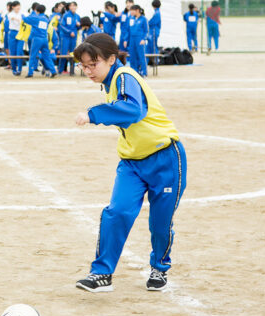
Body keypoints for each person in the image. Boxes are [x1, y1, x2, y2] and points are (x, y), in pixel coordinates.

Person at [72, 33, 186, 293]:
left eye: (93, 64)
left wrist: (93, 114)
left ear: (112, 59)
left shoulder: (125, 77)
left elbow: (133, 110)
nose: (88, 71)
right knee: (117, 212)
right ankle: (102, 274)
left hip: (165, 158)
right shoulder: (111, 81)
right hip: (132, 162)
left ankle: (159, 267)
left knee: (160, 222)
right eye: (84, 65)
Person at [23, 4, 55, 78]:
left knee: (32, 55)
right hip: (45, 39)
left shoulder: (36, 18)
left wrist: (26, 14)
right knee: (47, 56)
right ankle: (53, 71)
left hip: (37, 39)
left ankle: (30, 73)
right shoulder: (46, 19)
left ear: (37, 11)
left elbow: (25, 19)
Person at [58, 1, 79, 74]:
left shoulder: (77, 16)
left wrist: (78, 25)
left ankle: (72, 71)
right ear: (69, 7)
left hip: (73, 38)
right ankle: (60, 70)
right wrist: (69, 32)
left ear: (76, 7)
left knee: (72, 54)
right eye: (71, 6)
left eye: (74, 6)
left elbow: (79, 28)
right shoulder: (66, 15)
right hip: (66, 37)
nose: (73, 7)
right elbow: (62, 26)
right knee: (63, 53)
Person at [128, 5, 148, 77]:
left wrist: (144, 39)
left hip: (139, 39)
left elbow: (146, 31)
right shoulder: (131, 19)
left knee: (141, 56)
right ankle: (134, 72)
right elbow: (128, 30)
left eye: (132, 10)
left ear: (137, 10)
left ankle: (144, 72)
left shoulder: (143, 19)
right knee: (132, 56)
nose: (131, 12)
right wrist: (126, 40)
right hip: (132, 39)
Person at [6, 1, 23, 76]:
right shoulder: (10, 14)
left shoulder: (22, 14)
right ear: (13, 7)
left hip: (20, 33)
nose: (18, 7)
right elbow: (13, 18)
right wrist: (19, 20)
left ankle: (19, 69)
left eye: (19, 5)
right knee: (12, 52)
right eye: (17, 6)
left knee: (19, 52)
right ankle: (14, 69)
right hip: (12, 33)